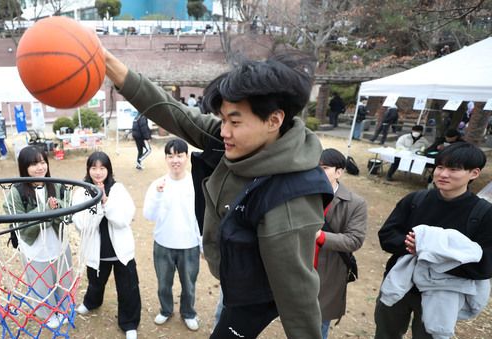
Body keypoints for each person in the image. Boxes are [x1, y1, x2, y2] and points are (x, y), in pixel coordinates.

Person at [104, 49, 333, 338]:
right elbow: (175, 113)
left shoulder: (288, 200)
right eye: (222, 119)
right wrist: (108, 64)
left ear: (274, 120)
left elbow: (297, 294)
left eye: (234, 122)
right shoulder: (242, 140)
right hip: (235, 274)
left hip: (257, 295)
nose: (223, 131)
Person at [375, 142, 492, 338]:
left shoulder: (483, 214)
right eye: (440, 167)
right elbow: (387, 235)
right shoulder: (415, 200)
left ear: (474, 173)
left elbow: (485, 265)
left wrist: (432, 254)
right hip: (399, 287)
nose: (443, 174)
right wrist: (411, 246)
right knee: (386, 334)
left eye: (453, 169)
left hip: (443, 295)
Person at [72, 151, 140, 339]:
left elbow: (123, 220)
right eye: (94, 168)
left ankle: (129, 323)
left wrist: (105, 202)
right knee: (95, 282)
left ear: (108, 170)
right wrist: (99, 207)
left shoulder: (118, 189)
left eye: (102, 168)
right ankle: (91, 302)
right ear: (88, 170)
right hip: (97, 251)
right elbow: (81, 224)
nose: (98, 172)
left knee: (128, 287)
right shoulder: (81, 191)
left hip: (120, 251)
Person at [2, 145, 71, 329]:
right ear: (24, 167)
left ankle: (64, 307)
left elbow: (69, 210)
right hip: (35, 247)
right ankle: (47, 313)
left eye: (42, 162)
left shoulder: (56, 185)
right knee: (41, 282)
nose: (40, 167)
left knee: (62, 278)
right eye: (33, 164)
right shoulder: (17, 192)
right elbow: (22, 226)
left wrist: (58, 207)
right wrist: (46, 210)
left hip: (58, 243)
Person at [143, 138, 201, 331]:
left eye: (179, 155)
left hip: (189, 244)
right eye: (171, 155)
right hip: (163, 243)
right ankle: (166, 310)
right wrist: (159, 194)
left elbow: (200, 216)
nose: (175, 160)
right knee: (163, 284)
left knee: (189, 284)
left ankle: (189, 312)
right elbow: (148, 215)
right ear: (166, 158)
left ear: (186, 157)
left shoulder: (196, 183)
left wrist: (201, 243)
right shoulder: (158, 184)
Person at [316, 148, 368, 339]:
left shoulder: (355, 203)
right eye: (315, 167)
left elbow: (354, 240)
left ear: (339, 172)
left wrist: (320, 237)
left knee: (318, 324)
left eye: (324, 168)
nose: (318, 172)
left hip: (328, 272)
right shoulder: (301, 195)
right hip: (298, 269)